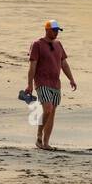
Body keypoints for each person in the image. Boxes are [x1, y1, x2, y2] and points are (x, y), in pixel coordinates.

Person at [26, 20, 77, 150]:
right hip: (42, 82)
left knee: (52, 113)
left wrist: (71, 78)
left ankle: (45, 142)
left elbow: (64, 64)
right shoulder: (37, 44)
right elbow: (32, 65)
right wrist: (30, 84)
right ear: (47, 30)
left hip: (55, 84)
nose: (56, 33)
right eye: (54, 30)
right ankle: (39, 134)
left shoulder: (59, 45)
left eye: (57, 31)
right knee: (47, 109)